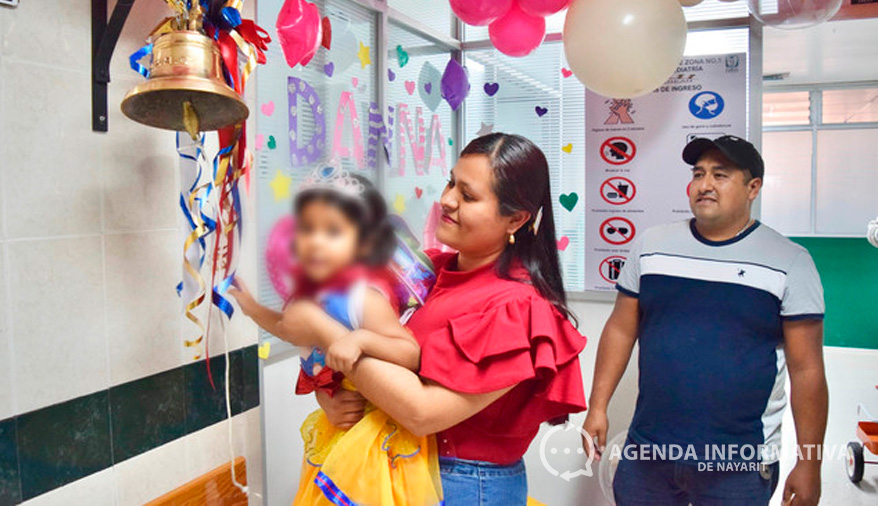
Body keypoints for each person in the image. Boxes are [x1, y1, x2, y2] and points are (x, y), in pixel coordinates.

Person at [282, 133, 588, 505]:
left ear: (516, 219)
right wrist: (328, 395)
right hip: (392, 468)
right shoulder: (423, 272)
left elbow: (421, 412)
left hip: (461, 484)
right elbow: (344, 323)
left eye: (468, 195)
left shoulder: (518, 307)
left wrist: (326, 331)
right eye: (450, 182)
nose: (446, 200)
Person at [582, 136, 828, 506]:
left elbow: (807, 370)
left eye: (721, 175)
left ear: (753, 188)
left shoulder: (790, 261)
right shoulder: (652, 246)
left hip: (739, 463)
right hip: (649, 452)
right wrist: (597, 406)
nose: (705, 184)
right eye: (698, 174)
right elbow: (621, 328)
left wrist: (809, 464)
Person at [229, 166, 443, 505]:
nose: (315, 240)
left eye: (332, 231)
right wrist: (252, 308)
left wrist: (361, 340)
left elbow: (409, 352)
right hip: (339, 425)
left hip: (377, 433)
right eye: (307, 229)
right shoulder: (313, 295)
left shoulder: (364, 297)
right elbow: (288, 327)